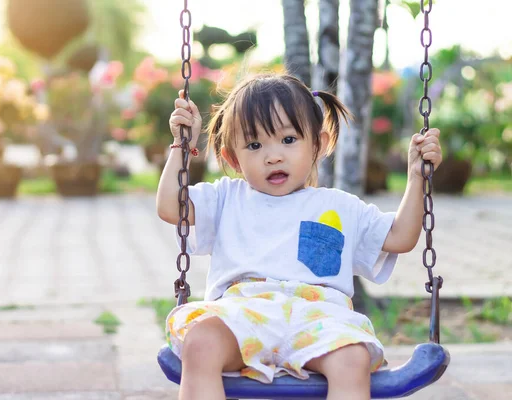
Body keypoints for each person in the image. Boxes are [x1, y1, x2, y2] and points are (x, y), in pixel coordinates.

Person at [156, 73, 442, 400]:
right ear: (234, 158)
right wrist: (182, 145)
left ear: (318, 144)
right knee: (200, 341)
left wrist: (417, 177)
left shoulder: (338, 206)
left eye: (289, 140)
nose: (273, 155)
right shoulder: (226, 198)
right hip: (242, 313)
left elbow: (400, 236)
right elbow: (169, 206)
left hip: (319, 318)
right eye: (254, 145)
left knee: (352, 357)